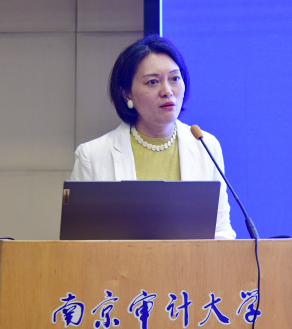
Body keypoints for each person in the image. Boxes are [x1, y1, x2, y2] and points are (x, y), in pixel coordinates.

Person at [70, 35, 236, 240]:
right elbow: (77, 241)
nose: (167, 91)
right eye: (153, 82)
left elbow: (221, 230)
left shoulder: (205, 145)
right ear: (126, 94)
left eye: (174, 78)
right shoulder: (93, 155)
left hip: (192, 261)